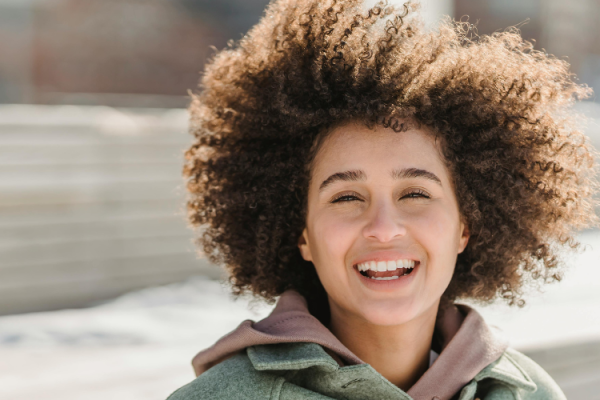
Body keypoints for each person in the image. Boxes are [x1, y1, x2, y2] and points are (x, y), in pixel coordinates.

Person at [168, 0, 599, 398]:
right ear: (302, 236)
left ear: (464, 227)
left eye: (414, 192)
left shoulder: (530, 393)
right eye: (346, 197)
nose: (384, 227)